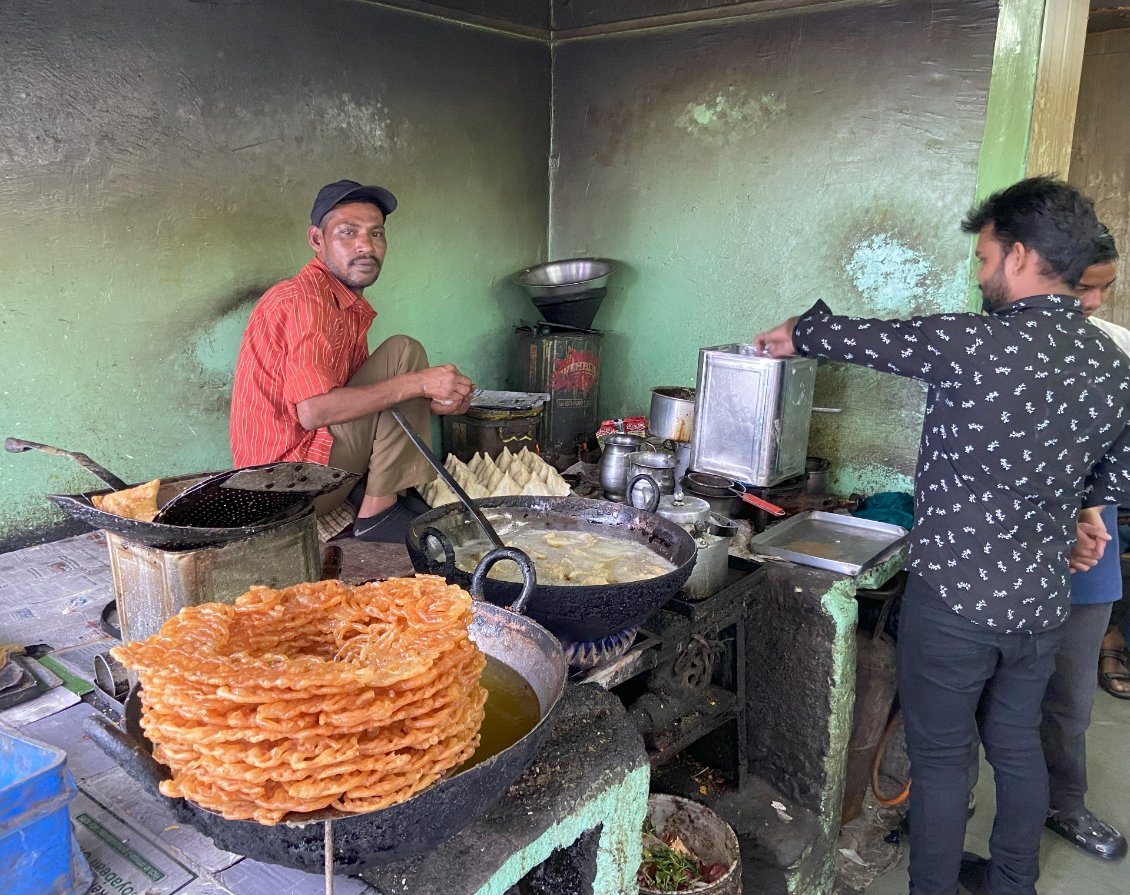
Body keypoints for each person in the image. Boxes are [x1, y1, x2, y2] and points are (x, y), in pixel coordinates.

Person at [753, 177, 1130, 895]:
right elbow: (1119, 473)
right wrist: (1082, 513)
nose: (981, 272)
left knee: (943, 756)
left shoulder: (972, 341)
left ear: (1019, 256)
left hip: (955, 603)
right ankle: (1013, 885)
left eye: (985, 258)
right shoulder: (1112, 365)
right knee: (1016, 750)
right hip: (1040, 605)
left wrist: (797, 330)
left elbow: (876, 340)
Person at [230, 180, 474, 542]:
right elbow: (314, 412)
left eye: (376, 234)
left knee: (402, 369)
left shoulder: (343, 304)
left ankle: (376, 497)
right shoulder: (303, 300)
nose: (366, 246)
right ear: (317, 240)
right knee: (403, 354)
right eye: (348, 232)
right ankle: (378, 512)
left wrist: (431, 400)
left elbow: (364, 402)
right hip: (284, 490)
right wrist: (420, 383)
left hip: (312, 471)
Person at [1039, 226, 1128, 862]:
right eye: (1081, 287)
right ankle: (945, 798)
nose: (1092, 303)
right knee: (978, 688)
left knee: (1069, 698)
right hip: (1008, 547)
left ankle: (1064, 804)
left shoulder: (1118, 352)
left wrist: (1087, 511)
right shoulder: (1006, 344)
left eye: (1104, 289)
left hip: (1087, 549)